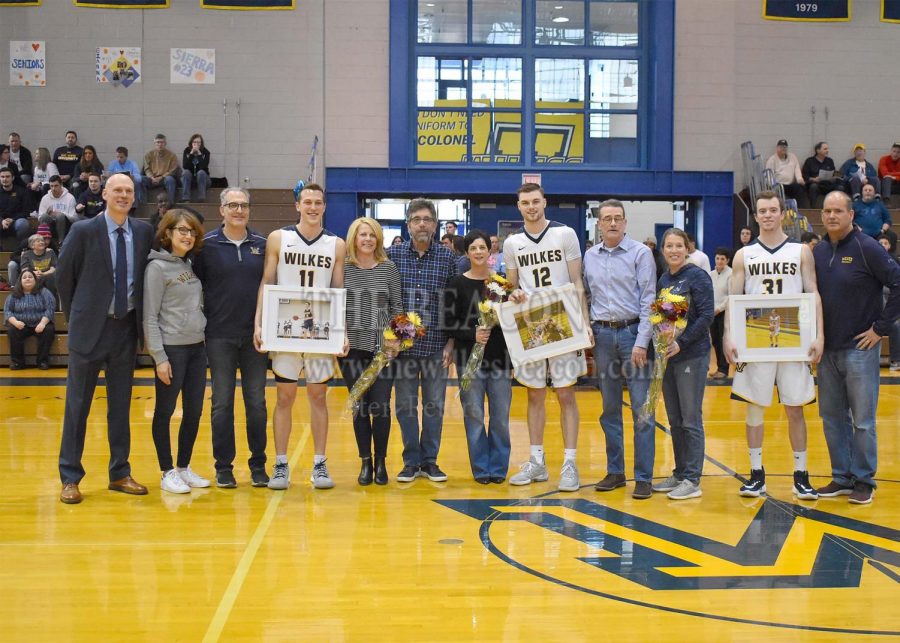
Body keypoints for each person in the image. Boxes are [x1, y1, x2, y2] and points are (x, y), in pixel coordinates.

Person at [57, 172, 154, 505]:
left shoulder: (143, 232)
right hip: (89, 332)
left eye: (128, 190)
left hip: (125, 331)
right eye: (118, 190)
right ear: (105, 195)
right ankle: (70, 477)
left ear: (133, 196)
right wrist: (78, 318)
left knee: (120, 408)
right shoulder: (84, 230)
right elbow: (64, 277)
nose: (123, 195)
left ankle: (120, 473)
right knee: (77, 407)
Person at [724, 190, 823, 501]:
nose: (767, 215)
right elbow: (733, 299)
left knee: (795, 408)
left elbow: (814, 293)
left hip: (794, 339)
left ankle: (801, 476)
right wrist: (728, 334)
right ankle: (756, 475)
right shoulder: (744, 255)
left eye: (772, 210)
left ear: (782, 214)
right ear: (755, 217)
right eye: (762, 211)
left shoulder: (801, 252)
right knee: (755, 409)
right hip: (755, 340)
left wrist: (818, 334)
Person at [254, 183, 346, 490]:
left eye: (318, 202)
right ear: (297, 205)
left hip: (320, 332)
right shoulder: (279, 238)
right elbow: (267, 281)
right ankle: (281, 464)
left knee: (318, 397)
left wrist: (340, 332)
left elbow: (337, 291)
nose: (312, 207)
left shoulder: (336, 244)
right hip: (285, 330)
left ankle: (320, 463)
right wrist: (259, 323)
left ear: (324, 206)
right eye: (307, 202)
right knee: (285, 396)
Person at [814, 191, 900, 505]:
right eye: (827, 211)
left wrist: (880, 329)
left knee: (863, 420)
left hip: (860, 349)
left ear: (851, 215)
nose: (832, 216)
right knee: (832, 418)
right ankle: (841, 477)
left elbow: (898, 282)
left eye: (838, 210)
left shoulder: (868, 248)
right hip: (827, 351)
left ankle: (863, 480)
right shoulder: (819, 252)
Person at [504, 183, 591, 492]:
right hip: (531, 324)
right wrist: (512, 293)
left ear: (545, 202)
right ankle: (537, 461)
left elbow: (577, 280)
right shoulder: (512, 243)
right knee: (534, 394)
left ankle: (570, 462)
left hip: (564, 320)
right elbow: (511, 287)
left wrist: (585, 323)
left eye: (536, 201)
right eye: (525, 202)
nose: (531, 206)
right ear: (518, 206)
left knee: (566, 394)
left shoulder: (564, 234)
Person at [192, 187, 269, 488]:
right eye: (233, 205)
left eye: (244, 205)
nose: (239, 210)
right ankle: (223, 466)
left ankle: (258, 465)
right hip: (219, 336)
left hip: (254, 338)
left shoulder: (262, 245)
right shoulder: (205, 246)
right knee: (222, 404)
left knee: (257, 403)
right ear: (221, 209)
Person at [583, 199, 655, 498]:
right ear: (599, 223)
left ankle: (643, 477)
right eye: (607, 218)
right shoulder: (589, 256)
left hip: (632, 334)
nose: (613, 223)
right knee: (609, 408)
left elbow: (649, 300)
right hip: (602, 336)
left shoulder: (641, 253)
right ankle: (616, 471)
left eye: (618, 218)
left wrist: (641, 341)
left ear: (625, 223)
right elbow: (585, 296)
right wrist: (587, 329)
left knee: (641, 408)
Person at [386, 199, 457, 482]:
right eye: (416, 219)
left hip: (436, 348)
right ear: (408, 224)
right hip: (403, 349)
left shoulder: (447, 258)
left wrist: (450, 344)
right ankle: (410, 461)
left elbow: (453, 304)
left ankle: (430, 461)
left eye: (427, 219)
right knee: (404, 406)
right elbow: (390, 298)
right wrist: (401, 335)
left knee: (434, 406)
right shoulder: (393, 255)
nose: (422, 224)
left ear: (436, 225)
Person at [143, 210, 209, 494]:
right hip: (172, 348)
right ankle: (166, 470)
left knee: (194, 411)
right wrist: (159, 357)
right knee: (166, 411)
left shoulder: (189, 264)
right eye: (182, 230)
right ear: (167, 233)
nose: (188, 236)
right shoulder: (156, 268)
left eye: (192, 232)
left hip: (197, 348)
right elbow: (149, 316)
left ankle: (183, 467)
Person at [444, 229, 512, 484]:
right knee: (473, 415)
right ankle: (481, 469)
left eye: (483, 247)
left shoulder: (501, 284)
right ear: (467, 252)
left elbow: (512, 321)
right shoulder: (457, 284)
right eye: (474, 248)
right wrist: (472, 334)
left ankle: (498, 468)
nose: (478, 252)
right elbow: (448, 323)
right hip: (467, 360)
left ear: (490, 250)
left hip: (499, 359)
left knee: (500, 416)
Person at [651, 228, 714, 499]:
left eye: (679, 245)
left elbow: (707, 316)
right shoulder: (664, 278)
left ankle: (692, 479)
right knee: (675, 420)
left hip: (692, 355)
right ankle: (679, 473)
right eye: (669, 246)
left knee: (690, 419)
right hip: (669, 357)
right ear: (663, 250)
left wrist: (682, 342)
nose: (674, 250)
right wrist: (663, 342)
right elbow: (664, 319)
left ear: (687, 248)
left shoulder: (697, 276)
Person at [339, 218, 402, 486]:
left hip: (382, 353)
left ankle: (381, 462)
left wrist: (396, 340)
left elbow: (398, 307)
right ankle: (365, 461)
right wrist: (338, 334)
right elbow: (334, 306)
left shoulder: (389, 268)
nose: (367, 239)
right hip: (352, 350)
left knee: (381, 408)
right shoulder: (343, 269)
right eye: (363, 234)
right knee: (360, 408)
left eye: (372, 235)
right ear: (354, 238)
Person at [3, 268, 55, 370]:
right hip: (21, 325)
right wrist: (16, 322)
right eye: (24, 277)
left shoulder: (44, 292)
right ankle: (18, 362)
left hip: (40, 323)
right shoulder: (14, 294)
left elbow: (50, 308)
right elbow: (8, 311)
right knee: (12, 330)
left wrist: (43, 323)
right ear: (20, 281)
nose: (27, 279)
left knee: (49, 330)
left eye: (30, 277)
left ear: (35, 280)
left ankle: (42, 361)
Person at [876, 234, 900, 371]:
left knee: (895, 325)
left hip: (889, 303)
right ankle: (896, 360)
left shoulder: (894, 262)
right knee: (895, 325)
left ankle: (896, 360)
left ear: (890, 246)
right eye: (880, 243)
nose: (883, 245)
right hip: (876, 304)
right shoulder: (871, 259)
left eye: (885, 243)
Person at [709, 247, 732, 379]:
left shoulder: (731, 274)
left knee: (723, 340)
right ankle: (719, 368)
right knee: (716, 341)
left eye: (722, 259)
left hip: (724, 313)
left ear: (727, 260)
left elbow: (730, 296)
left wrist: (719, 309)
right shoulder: (711, 274)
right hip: (712, 313)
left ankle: (724, 369)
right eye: (717, 258)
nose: (719, 261)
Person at [765, 139, 808, 208]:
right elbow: (768, 176)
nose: (783, 148)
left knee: (800, 187)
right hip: (779, 185)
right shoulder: (772, 160)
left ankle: (801, 209)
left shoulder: (792, 157)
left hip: (790, 185)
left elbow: (797, 169)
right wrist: (773, 184)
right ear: (777, 148)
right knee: (779, 191)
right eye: (781, 147)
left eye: (785, 147)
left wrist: (800, 179)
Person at [142, 133, 180, 205]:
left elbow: (172, 170)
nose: (160, 144)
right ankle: (144, 204)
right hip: (151, 179)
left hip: (164, 179)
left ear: (165, 143)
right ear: (154, 143)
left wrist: (161, 177)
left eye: (162, 142)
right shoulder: (148, 155)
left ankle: (170, 204)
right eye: (158, 142)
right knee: (141, 180)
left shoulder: (172, 155)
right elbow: (146, 169)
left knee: (170, 180)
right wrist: (152, 177)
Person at [802, 142, 842, 208]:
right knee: (813, 187)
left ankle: (837, 208)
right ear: (818, 150)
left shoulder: (830, 161)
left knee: (840, 187)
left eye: (828, 149)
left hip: (828, 184)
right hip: (817, 184)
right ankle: (813, 209)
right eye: (825, 149)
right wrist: (813, 179)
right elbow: (804, 175)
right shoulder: (809, 161)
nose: (827, 151)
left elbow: (834, 172)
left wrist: (835, 177)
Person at [37, 175, 77, 242]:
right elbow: (40, 217)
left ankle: (61, 242)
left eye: (56, 186)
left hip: (66, 225)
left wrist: (59, 213)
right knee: (44, 216)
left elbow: (74, 218)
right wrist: (48, 214)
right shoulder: (45, 198)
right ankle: (43, 241)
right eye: (51, 186)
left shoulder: (70, 197)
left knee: (60, 216)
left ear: (61, 185)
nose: (53, 188)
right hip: (51, 224)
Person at [0, 167, 31, 244]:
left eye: (7, 176)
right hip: (1, 221)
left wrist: (12, 219)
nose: (5, 179)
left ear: (13, 178)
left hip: (16, 221)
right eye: (2, 177)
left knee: (23, 223)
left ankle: (21, 248)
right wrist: (2, 220)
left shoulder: (22, 192)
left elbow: (26, 212)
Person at [181, 133, 210, 202]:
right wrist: (191, 153)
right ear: (191, 143)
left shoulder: (206, 152)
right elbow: (185, 166)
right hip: (189, 180)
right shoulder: (187, 151)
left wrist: (199, 154)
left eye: (198, 142)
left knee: (201, 172)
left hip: (204, 180)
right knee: (186, 172)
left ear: (201, 143)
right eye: (194, 142)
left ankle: (201, 198)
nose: (196, 144)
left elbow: (203, 167)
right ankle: (186, 198)